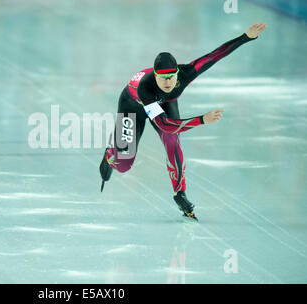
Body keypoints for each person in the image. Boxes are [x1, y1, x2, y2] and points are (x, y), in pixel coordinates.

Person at [99, 23, 267, 221]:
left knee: (172, 141)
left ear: (178, 73)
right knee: (124, 165)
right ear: (155, 76)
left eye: (171, 77)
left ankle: (180, 194)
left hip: (163, 104)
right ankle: (112, 153)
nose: (168, 83)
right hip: (132, 106)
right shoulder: (146, 86)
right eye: (163, 79)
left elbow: (215, 55)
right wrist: (201, 120)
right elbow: (163, 124)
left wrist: (245, 37)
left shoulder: (186, 73)